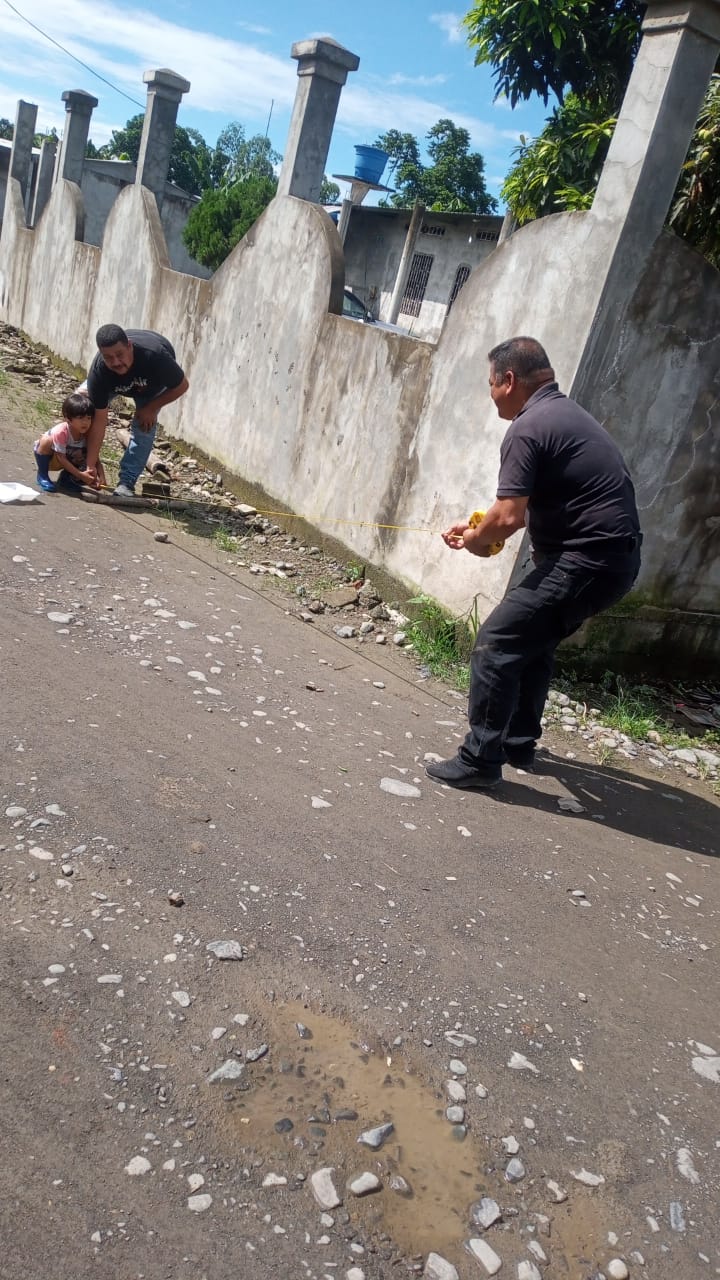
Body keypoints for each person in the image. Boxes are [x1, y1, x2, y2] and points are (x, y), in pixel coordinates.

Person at [426, 335, 642, 790]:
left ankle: (480, 759)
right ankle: (517, 742)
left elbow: (508, 518)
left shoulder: (528, 427)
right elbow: (520, 512)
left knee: (497, 642)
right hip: (610, 560)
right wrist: (477, 527)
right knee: (533, 642)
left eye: (491, 385)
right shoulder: (563, 416)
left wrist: (475, 540)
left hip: (586, 560)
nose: (491, 396)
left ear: (509, 380)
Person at [84, 324, 189, 497]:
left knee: (144, 425)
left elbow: (182, 385)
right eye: (108, 357)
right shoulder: (99, 372)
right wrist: (90, 465)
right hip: (113, 384)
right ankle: (78, 462)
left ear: (129, 346)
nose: (116, 362)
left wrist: (151, 408)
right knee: (81, 408)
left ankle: (127, 483)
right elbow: (99, 421)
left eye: (120, 355)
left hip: (150, 386)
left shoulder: (155, 355)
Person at [33, 391, 98, 493]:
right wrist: (80, 475)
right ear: (68, 419)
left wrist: (99, 477)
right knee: (46, 440)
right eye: (80, 418)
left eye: (88, 418)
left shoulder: (87, 434)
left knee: (87, 454)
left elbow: (95, 455)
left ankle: (66, 479)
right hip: (53, 458)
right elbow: (61, 458)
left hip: (70, 457)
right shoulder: (61, 432)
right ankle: (42, 475)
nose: (85, 422)